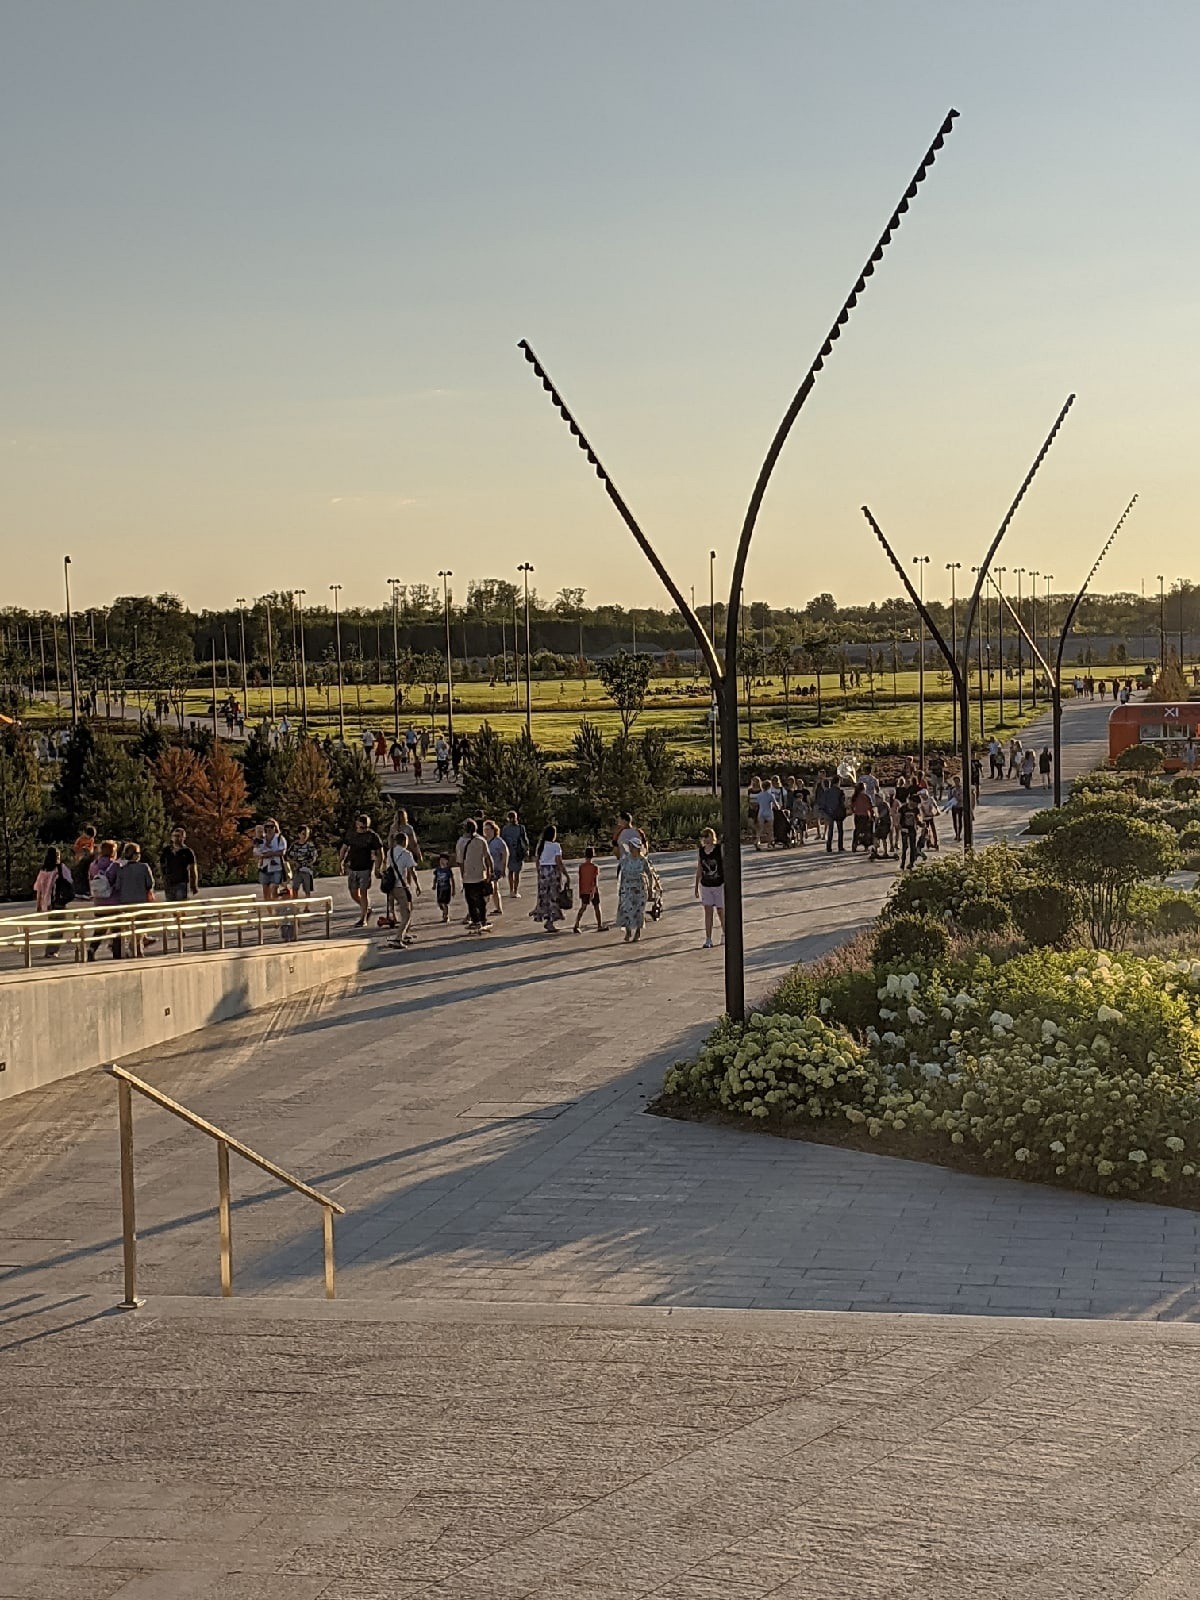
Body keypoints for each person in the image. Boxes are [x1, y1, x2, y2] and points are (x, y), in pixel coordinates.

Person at [339, 813, 383, 927]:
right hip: (353, 867)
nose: (363, 828)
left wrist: (378, 867)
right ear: (357, 824)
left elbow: (380, 852)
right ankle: (366, 908)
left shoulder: (372, 836)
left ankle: (363, 918)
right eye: (361, 825)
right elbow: (344, 848)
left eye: (365, 826)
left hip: (365, 867)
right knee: (353, 893)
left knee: (363, 892)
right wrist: (340, 862)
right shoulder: (351, 834)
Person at [33, 847, 74, 959]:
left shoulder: (43, 870)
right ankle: (51, 951)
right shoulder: (60, 868)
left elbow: (39, 889)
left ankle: (50, 950)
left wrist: (39, 905)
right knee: (58, 928)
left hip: (48, 904)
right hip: (59, 901)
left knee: (53, 926)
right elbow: (69, 881)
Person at [115, 842, 156, 957]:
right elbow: (150, 883)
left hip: (125, 902)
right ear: (134, 855)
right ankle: (138, 948)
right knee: (140, 926)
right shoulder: (144, 867)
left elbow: (117, 885)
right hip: (140, 901)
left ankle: (132, 947)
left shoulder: (121, 869)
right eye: (138, 853)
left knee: (128, 926)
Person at [457, 819, 493, 934]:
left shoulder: (461, 842)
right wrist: (489, 871)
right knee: (481, 899)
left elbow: (460, 861)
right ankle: (483, 919)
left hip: (468, 875)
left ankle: (475, 920)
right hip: (480, 874)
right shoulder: (481, 840)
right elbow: (487, 857)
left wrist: (462, 875)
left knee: (470, 899)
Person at [87, 840, 121, 961]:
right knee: (117, 930)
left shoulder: (93, 865)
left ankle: (91, 949)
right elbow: (118, 884)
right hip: (113, 902)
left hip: (99, 902)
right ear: (113, 851)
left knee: (100, 929)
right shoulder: (115, 865)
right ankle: (117, 953)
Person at [616, 837, 654, 943]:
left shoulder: (643, 860)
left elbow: (649, 874)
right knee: (626, 909)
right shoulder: (625, 859)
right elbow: (622, 874)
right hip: (627, 887)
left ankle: (638, 932)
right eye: (630, 846)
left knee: (639, 911)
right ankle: (628, 931)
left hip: (640, 888)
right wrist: (620, 888)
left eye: (633, 846)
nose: (631, 848)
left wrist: (651, 888)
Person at [531, 825, 567, 932]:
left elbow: (537, 860)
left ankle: (544, 915)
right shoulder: (555, 846)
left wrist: (539, 871)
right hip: (552, 871)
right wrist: (565, 874)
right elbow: (558, 861)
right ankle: (550, 921)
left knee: (544, 896)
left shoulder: (541, 846)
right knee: (553, 896)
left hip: (543, 872)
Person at [383, 832, 417, 943]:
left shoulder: (390, 852)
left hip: (391, 886)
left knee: (405, 910)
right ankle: (398, 938)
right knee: (406, 913)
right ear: (404, 841)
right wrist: (417, 885)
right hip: (401, 886)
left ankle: (405, 933)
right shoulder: (406, 854)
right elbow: (412, 871)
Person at [693, 828, 725, 948]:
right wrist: (696, 886)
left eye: (708, 836)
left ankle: (724, 932)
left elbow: (724, 864)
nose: (706, 839)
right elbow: (699, 868)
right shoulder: (701, 851)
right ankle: (708, 938)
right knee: (708, 911)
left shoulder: (718, 849)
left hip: (718, 884)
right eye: (704, 837)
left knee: (721, 911)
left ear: (713, 837)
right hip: (706, 885)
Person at [160, 827, 198, 903]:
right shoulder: (166, 850)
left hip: (182, 883)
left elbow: (193, 868)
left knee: (181, 905)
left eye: (178, 836)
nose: (176, 838)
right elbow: (162, 865)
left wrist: (193, 885)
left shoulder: (188, 852)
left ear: (183, 837)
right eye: (174, 836)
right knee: (170, 905)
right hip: (169, 883)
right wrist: (164, 878)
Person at [254, 818, 288, 901]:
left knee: (274, 889)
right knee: (266, 892)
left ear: (275, 827)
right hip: (264, 867)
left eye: (271, 826)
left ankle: (276, 907)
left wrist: (270, 854)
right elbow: (256, 852)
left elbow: (282, 851)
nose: (269, 829)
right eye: (267, 826)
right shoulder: (261, 839)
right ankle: (269, 911)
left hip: (276, 867)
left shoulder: (279, 838)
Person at [501, 810, 531, 898]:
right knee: (513, 871)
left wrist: (526, 849)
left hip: (514, 852)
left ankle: (514, 890)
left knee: (515, 871)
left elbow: (524, 839)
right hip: (513, 852)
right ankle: (513, 890)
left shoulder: (518, 828)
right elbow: (503, 841)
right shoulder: (510, 828)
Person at [483, 820, 509, 919]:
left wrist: (503, 867)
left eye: (488, 829)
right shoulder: (484, 841)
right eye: (485, 829)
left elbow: (505, 854)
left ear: (494, 830)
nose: (486, 831)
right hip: (486, 869)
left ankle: (482, 908)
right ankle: (498, 908)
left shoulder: (499, 841)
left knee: (491, 887)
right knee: (493, 889)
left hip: (496, 868)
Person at [816, 776, 846, 853]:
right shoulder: (840, 792)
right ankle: (840, 846)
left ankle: (829, 847)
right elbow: (843, 803)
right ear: (838, 782)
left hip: (829, 812)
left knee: (830, 830)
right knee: (840, 830)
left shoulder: (827, 791)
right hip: (838, 812)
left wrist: (823, 810)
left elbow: (822, 802)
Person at [289, 826, 319, 896]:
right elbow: (288, 856)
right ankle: (295, 904)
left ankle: (307, 906)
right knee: (295, 888)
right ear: (299, 834)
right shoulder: (294, 845)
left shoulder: (310, 846)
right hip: (297, 870)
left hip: (306, 870)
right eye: (303, 833)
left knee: (307, 890)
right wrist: (294, 863)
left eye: (307, 834)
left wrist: (306, 863)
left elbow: (313, 857)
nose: (305, 836)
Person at [850, 782, 874, 853]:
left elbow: (852, 806)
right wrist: (872, 815)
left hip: (857, 816)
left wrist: (854, 811)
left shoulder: (855, 796)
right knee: (866, 831)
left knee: (857, 830)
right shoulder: (866, 797)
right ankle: (866, 845)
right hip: (864, 815)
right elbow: (870, 807)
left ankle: (855, 843)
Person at [432, 852, 456, 922]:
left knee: (445, 903)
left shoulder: (448, 870)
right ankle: (444, 911)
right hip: (439, 888)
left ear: (447, 861)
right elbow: (435, 877)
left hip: (446, 888)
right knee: (439, 902)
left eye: (443, 860)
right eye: (440, 860)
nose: (441, 861)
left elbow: (452, 879)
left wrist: (453, 890)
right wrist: (434, 885)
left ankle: (445, 916)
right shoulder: (438, 869)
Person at [945, 776, 964, 841]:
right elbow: (949, 798)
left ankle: (959, 834)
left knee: (960, 821)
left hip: (960, 806)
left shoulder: (961, 789)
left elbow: (961, 799)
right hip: (954, 806)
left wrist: (956, 796)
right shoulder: (952, 789)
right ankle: (956, 834)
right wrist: (948, 807)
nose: (956, 782)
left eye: (957, 781)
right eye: (955, 781)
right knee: (954, 821)